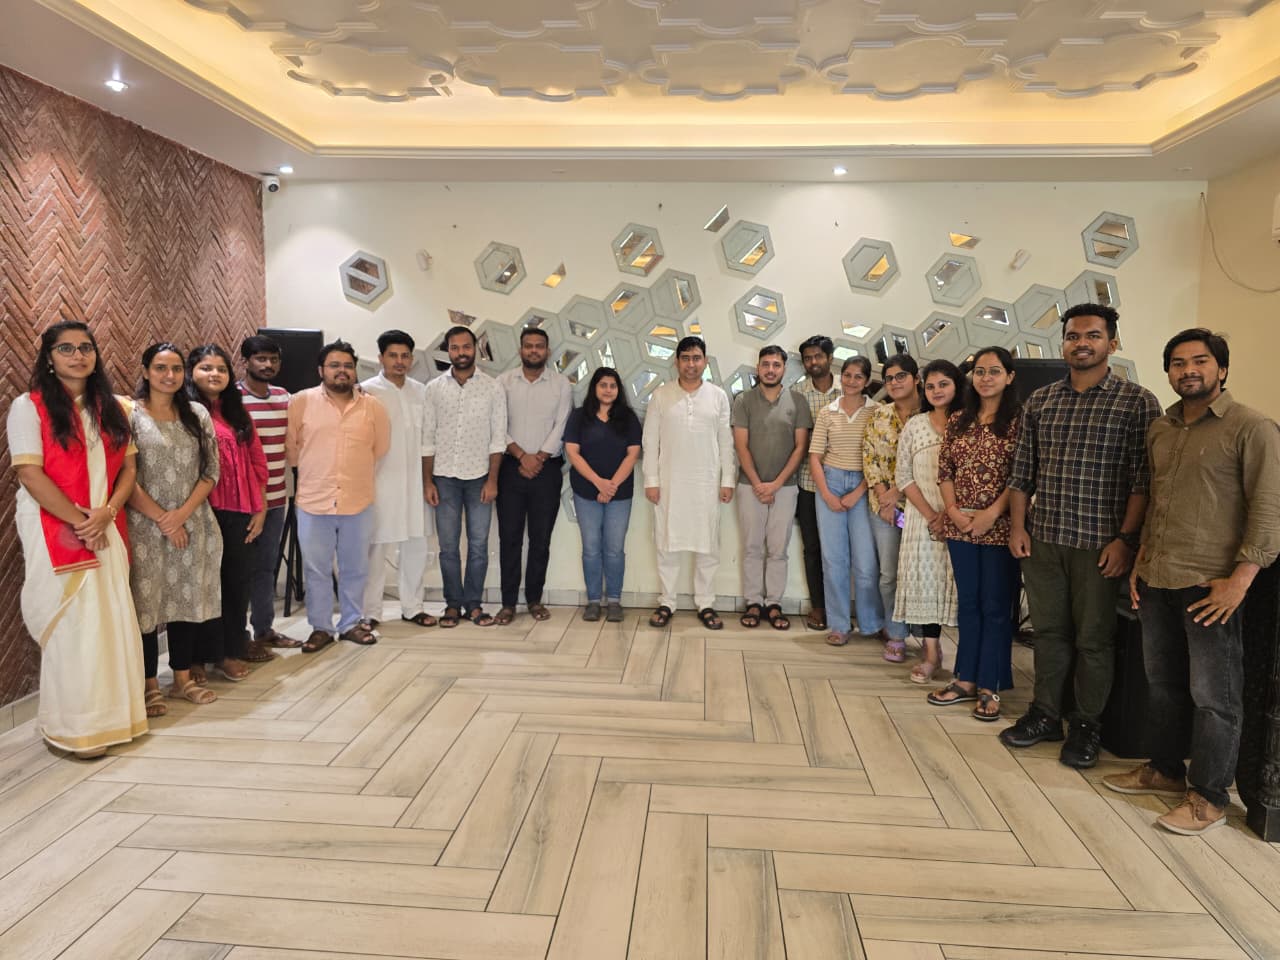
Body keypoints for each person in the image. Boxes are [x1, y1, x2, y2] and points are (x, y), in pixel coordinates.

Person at [1104, 329, 1280, 834]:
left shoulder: (1252, 427)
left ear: (1221, 369)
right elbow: (1159, 501)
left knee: (1215, 698)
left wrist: (1240, 581)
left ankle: (1209, 797)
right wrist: (1140, 563)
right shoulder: (1162, 428)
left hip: (1211, 587)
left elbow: (1269, 508)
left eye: (1200, 361)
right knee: (1163, 685)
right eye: (1178, 363)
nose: (1188, 371)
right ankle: (1164, 769)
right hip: (1158, 577)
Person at [1003, 304, 1162, 768]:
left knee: (1094, 640)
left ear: (1112, 342)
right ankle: (1045, 714)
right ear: (1064, 343)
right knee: (1049, 634)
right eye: (1073, 336)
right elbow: (1022, 474)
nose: (1082, 343)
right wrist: (1018, 527)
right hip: (1045, 539)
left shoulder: (1137, 402)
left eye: (1093, 335)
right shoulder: (1041, 401)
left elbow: (1143, 481)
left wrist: (1126, 540)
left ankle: (1087, 725)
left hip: (1101, 544)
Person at [8, 320, 147, 756]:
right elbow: (29, 473)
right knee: (74, 625)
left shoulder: (115, 408)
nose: (78, 356)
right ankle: (73, 727)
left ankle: (115, 721)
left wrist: (106, 513)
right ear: (49, 358)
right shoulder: (28, 407)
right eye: (66, 349)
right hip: (54, 526)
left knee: (110, 621)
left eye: (86, 348)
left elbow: (129, 469)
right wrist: (81, 522)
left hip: (105, 524)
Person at [127, 342, 224, 712]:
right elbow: (125, 476)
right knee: (147, 606)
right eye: (160, 368)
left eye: (176, 369)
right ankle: (150, 684)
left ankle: (182, 679)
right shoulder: (130, 414)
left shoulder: (196, 413)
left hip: (193, 523)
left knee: (187, 601)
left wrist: (180, 515)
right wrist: (163, 519)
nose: (169, 376)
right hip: (145, 527)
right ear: (145, 371)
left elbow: (210, 471)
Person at [926, 348, 1021, 722]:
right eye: (979, 371)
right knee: (968, 603)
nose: (985, 378)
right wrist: (952, 511)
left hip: (1000, 526)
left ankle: (990, 684)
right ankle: (964, 678)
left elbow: (1022, 475)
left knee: (995, 606)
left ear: (1009, 377)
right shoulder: (959, 419)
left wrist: (992, 514)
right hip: (960, 526)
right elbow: (945, 470)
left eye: (994, 371)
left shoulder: (1019, 420)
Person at [286, 340, 390, 652]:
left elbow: (379, 448)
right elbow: (292, 449)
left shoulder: (372, 407)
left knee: (355, 567)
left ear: (354, 371)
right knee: (316, 569)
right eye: (334, 365)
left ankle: (351, 624)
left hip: (357, 500)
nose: (341, 371)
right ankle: (320, 628)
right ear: (321, 370)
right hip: (313, 500)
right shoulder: (301, 402)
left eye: (347, 365)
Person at [188, 344, 270, 673]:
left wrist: (260, 508)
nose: (215, 374)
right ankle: (195, 657)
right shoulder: (185, 412)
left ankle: (230, 652)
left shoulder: (237, 412)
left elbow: (257, 462)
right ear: (191, 372)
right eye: (206, 368)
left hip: (240, 511)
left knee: (236, 583)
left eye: (221, 369)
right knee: (201, 585)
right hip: (200, 510)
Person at [644, 336, 735, 630]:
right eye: (685, 358)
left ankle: (705, 603)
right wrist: (651, 480)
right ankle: (667, 602)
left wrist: (728, 479)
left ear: (705, 361)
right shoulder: (661, 395)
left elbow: (726, 441)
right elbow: (650, 441)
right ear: (677, 362)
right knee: (667, 543)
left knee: (708, 545)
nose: (691, 364)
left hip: (706, 482)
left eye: (696, 358)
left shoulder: (718, 396)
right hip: (669, 482)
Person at [423, 325, 506, 628]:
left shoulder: (493, 387)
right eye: (455, 347)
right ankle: (452, 604)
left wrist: (493, 480)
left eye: (466, 347)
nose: (461, 352)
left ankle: (473, 604)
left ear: (475, 349)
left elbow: (498, 439)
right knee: (447, 547)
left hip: (480, 477)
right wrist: (427, 481)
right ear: (448, 350)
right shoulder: (434, 388)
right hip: (444, 477)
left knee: (479, 545)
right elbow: (427, 438)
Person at [496, 327, 572, 625]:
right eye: (528, 346)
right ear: (520, 350)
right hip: (510, 468)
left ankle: (534, 599)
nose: (534, 351)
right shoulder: (503, 382)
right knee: (509, 538)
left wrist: (538, 457)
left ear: (547, 351)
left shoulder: (560, 384)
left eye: (539, 346)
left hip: (546, 470)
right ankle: (507, 604)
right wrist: (520, 455)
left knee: (541, 539)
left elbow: (562, 424)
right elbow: (497, 423)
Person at [732, 345, 811, 630]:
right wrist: (757, 483)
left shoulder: (798, 401)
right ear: (758, 367)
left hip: (785, 487)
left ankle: (774, 603)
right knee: (752, 547)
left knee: (778, 549)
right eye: (765, 364)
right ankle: (753, 602)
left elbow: (801, 447)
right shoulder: (744, 400)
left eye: (776, 365)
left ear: (784, 369)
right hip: (749, 486)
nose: (770, 370)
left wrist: (776, 484)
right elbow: (741, 446)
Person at [361, 330, 436, 630]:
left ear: (412, 359)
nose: (399, 361)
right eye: (393, 355)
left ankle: (413, 607)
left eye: (405, 356)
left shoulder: (422, 391)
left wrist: (429, 481)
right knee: (375, 548)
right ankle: (370, 612)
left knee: (416, 544)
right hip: (380, 481)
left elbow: (429, 438)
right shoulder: (367, 392)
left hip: (417, 481)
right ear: (381, 358)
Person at [895, 359, 963, 683]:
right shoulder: (915, 425)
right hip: (922, 520)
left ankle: (967, 662)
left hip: (963, 518)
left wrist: (950, 515)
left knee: (961, 587)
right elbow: (903, 476)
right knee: (926, 586)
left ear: (957, 386)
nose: (936, 391)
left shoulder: (969, 422)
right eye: (931, 386)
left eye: (943, 384)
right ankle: (931, 654)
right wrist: (932, 516)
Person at [808, 355, 882, 646]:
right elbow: (815, 456)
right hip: (831, 481)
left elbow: (877, 458)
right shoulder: (828, 411)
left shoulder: (877, 411)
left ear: (867, 381)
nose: (852, 381)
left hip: (864, 485)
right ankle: (839, 624)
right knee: (834, 560)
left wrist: (859, 490)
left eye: (858, 377)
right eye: (847, 375)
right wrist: (827, 493)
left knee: (865, 562)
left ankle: (871, 623)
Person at [563, 366, 642, 622]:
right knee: (591, 548)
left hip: (620, 493)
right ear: (594, 388)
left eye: (612, 386)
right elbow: (572, 452)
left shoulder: (628, 417)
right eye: (603, 385)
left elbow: (633, 454)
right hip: (586, 492)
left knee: (615, 549)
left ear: (618, 390)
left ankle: (615, 601)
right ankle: (594, 601)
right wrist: (599, 483)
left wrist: (611, 486)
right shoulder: (579, 416)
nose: (608, 390)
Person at [238, 334, 297, 650]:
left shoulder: (284, 397)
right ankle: (236, 637)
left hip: (276, 499)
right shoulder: (232, 399)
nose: (268, 364)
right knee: (237, 570)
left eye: (273, 359)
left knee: (266, 567)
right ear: (246, 361)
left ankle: (264, 630)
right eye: (261, 358)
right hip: (241, 502)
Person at [862, 353, 920, 661]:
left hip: (922, 508)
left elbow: (931, 462)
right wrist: (885, 498)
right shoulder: (879, 415)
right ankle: (896, 634)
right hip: (883, 508)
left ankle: (927, 637)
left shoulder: (931, 415)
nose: (895, 383)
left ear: (915, 378)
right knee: (888, 574)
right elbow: (870, 457)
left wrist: (899, 492)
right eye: (889, 379)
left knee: (920, 573)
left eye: (901, 376)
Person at [793, 335, 841, 630]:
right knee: (812, 548)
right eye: (808, 358)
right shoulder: (797, 394)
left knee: (840, 550)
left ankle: (841, 609)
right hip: (808, 483)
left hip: (843, 483)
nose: (813, 362)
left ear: (830, 358)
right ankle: (819, 608)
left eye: (818, 356)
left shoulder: (849, 388)